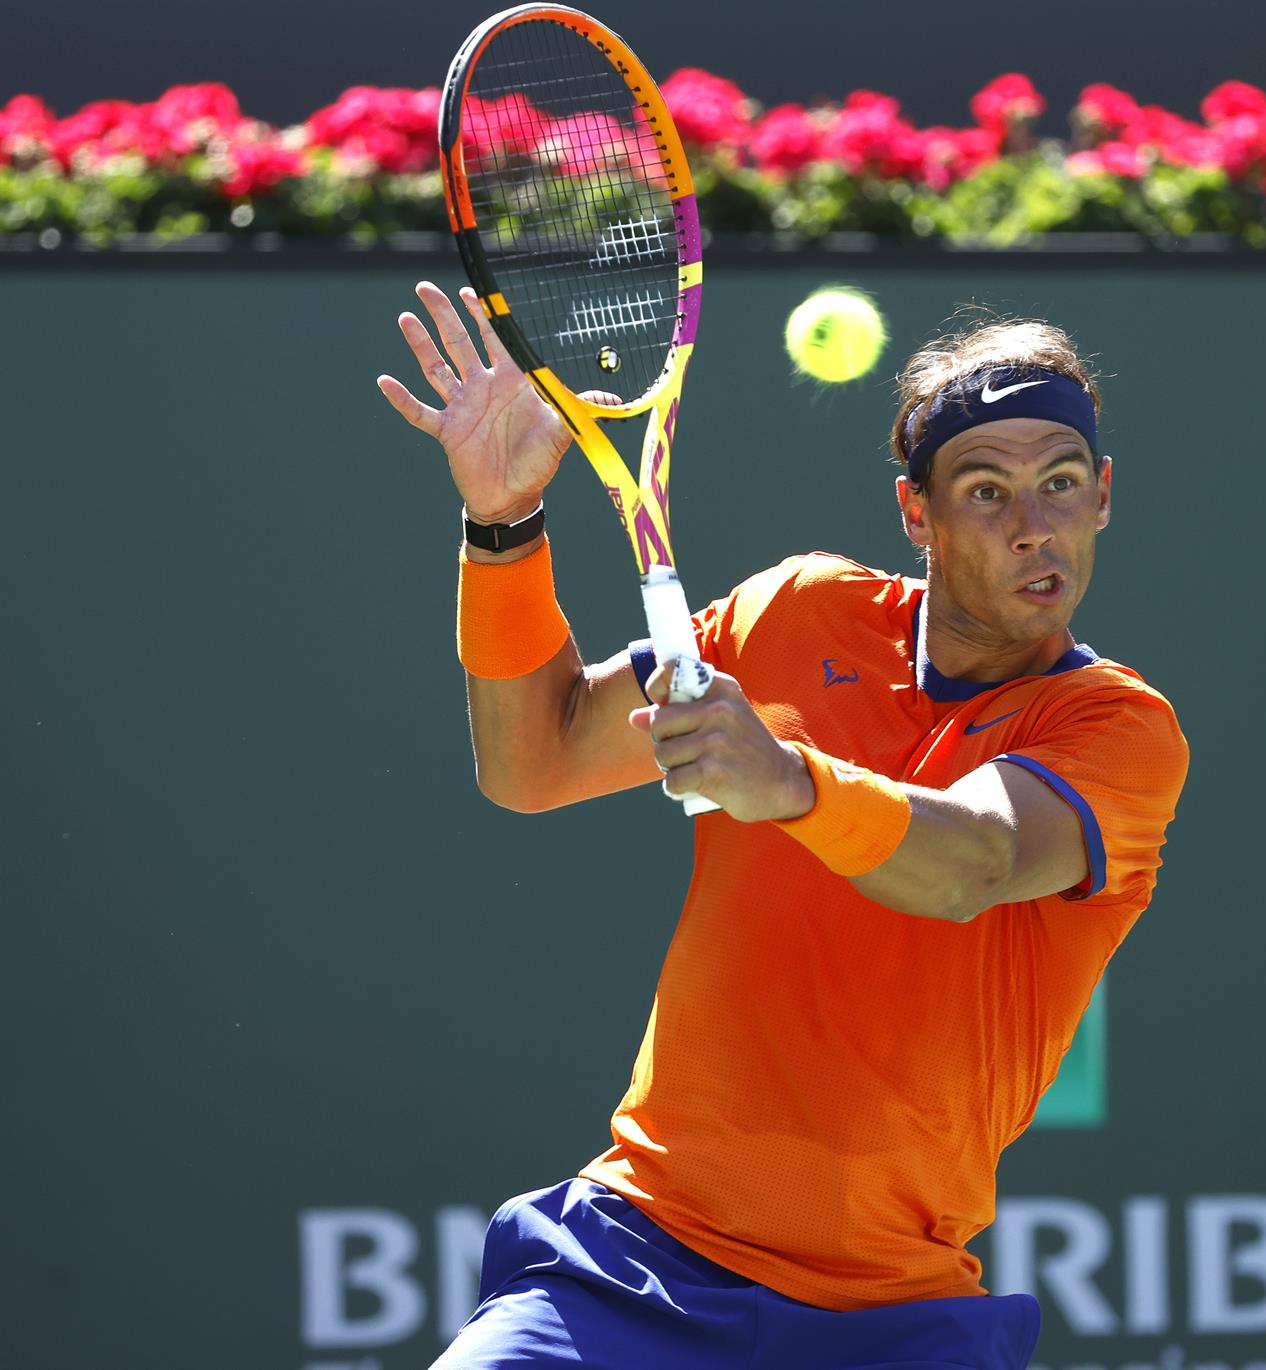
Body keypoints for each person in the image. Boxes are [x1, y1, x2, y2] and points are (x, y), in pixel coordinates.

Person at [377, 281, 1190, 1370]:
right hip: (635, 1263)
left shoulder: (1120, 728)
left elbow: (978, 857)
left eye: (1059, 484)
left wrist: (791, 782)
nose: (1032, 526)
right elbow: (539, 757)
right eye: (986, 491)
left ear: (1102, 496)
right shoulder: (793, 612)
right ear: (920, 516)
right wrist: (504, 523)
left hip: (893, 1320)